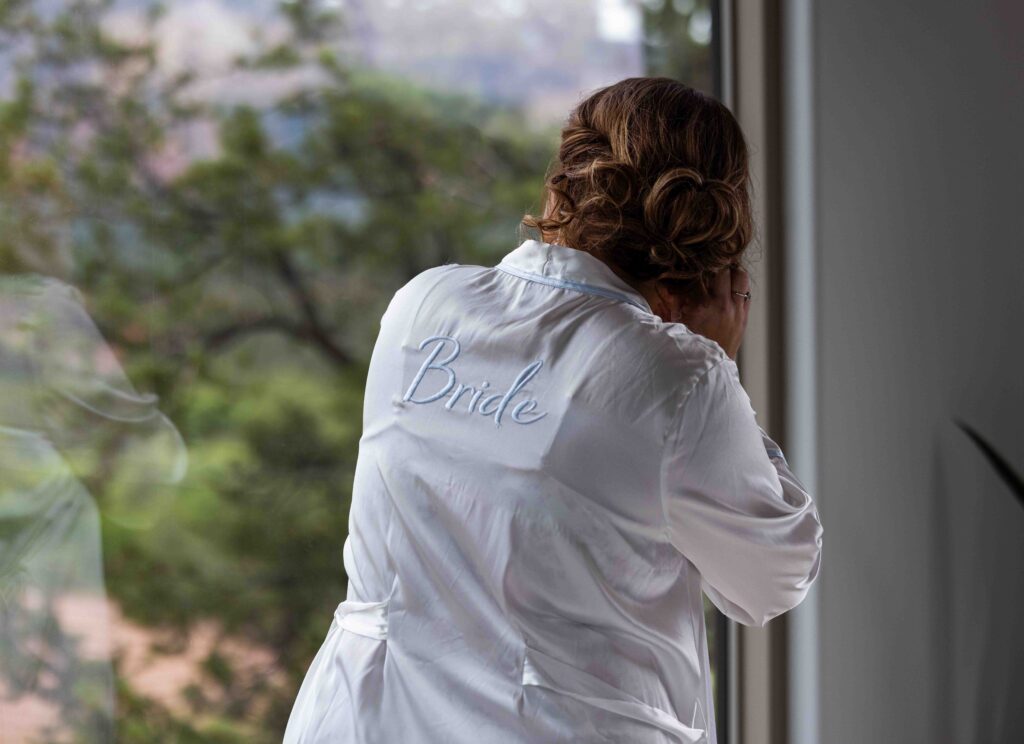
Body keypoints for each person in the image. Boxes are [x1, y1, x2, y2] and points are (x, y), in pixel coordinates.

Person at [284, 76, 823, 744]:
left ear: (569, 174)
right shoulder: (676, 376)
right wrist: (721, 368)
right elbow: (772, 577)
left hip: (364, 722)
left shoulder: (421, 305)